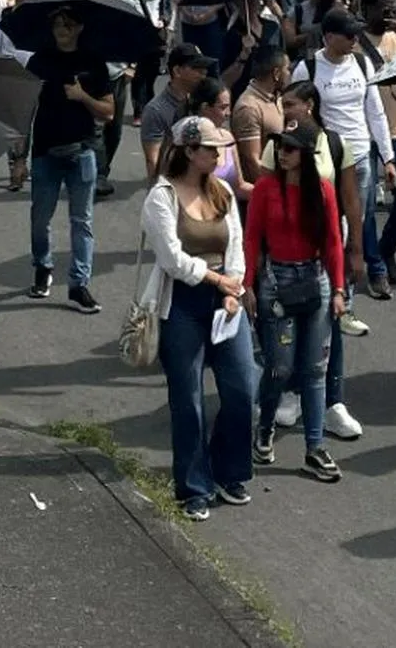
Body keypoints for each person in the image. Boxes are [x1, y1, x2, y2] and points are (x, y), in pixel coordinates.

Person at [141, 116, 255, 521]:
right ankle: (193, 488)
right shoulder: (162, 197)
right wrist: (218, 280)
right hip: (183, 304)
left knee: (243, 387)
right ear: (189, 151)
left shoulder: (222, 190)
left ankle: (230, 470)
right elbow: (172, 260)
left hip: (225, 300)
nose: (218, 154)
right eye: (210, 148)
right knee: (187, 400)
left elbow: (237, 244)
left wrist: (234, 287)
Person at [258, 80, 365, 438]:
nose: (284, 110)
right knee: (288, 329)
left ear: (310, 105)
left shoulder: (334, 144)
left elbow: (351, 201)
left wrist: (357, 251)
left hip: (325, 253)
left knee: (329, 328)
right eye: (281, 103)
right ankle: (289, 395)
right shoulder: (277, 148)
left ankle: (333, 403)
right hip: (284, 260)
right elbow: (265, 198)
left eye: (290, 104)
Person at [243, 121, 347, 482]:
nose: (281, 153)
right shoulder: (265, 188)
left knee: (315, 369)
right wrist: (248, 286)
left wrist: (337, 290)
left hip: (314, 280)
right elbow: (252, 238)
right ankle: (265, 426)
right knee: (280, 367)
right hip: (276, 281)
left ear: (305, 153)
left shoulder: (323, 190)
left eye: (289, 147)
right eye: (279, 147)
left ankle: (314, 447)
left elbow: (333, 242)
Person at [291, 8, 396, 324]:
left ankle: (344, 299)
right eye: (348, 34)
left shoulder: (363, 64)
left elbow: (375, 113)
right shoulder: (307, 69)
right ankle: (319, 290)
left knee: (353, 228)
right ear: (328, 37)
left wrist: (388, 158)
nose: (355, 39)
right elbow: (295, 116)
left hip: (361, 159)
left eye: (356, 33)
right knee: (326, 226)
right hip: (324, 160)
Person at [24, 5, 115, 313]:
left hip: (82, 150)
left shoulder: (93, 62)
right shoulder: (39, 60)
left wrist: (82, 97)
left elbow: (109, 111)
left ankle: (79, 285)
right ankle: (43, 265)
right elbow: (24, 105)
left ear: (78, 28)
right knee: (40, 218)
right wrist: (18, 150)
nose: (61, 29)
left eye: (67, 24)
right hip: (45, 151)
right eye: (57, 24)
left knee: (82, 221)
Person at [359, 0, 396, 298]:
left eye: (393, 7)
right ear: (366, 8)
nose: (389, 13)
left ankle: (386, 247)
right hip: (365, 136)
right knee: (367, 206)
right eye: (383, 7)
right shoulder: (354, 44)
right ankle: (376, 266)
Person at [88, 0, 143, 197]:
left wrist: (132, 66)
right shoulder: (86, 0)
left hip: (119, 72)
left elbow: (139, 36)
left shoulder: (127, 2)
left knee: (115, 128)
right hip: (93, 72)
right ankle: (98, 174)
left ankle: (104, 168)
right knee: (97, 125)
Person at [141, 43, 217, 179]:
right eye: (196, 68)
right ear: (177, 71)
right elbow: (153, 161)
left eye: (204, 69)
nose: (203, 74)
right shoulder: (155, 110)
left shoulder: (200, 100)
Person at [231, 46, 289, 188]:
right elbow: (252, 161)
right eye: (287, 69)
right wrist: (276, 191)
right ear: (276, 73)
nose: (289, 74)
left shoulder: (279, 98)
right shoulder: (249, 107)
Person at [187, 77, 253, 201]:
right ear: (205, 107)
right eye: (223, 108)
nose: (228, 113)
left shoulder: (227, 137)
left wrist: (269, 195)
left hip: (226, 212)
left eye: (229, 107)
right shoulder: (188, 140)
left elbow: (239, 186)